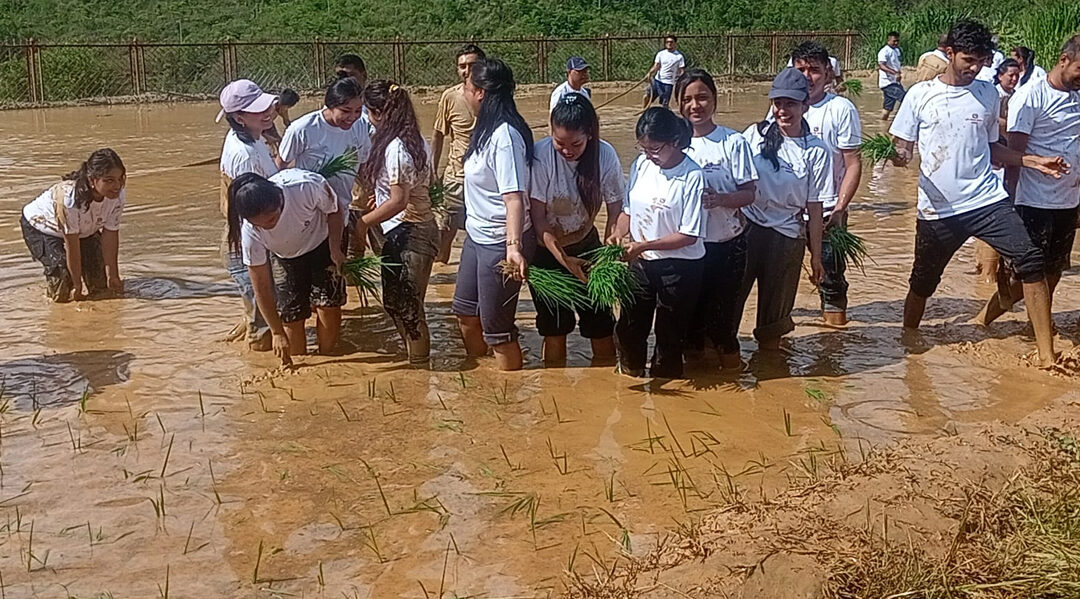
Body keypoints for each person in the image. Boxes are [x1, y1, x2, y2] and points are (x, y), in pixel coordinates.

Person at [889, 19, 1068, 367]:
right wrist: (896, 156)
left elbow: (993, 149)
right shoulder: (920, 95)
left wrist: (1032, 160)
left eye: (981, 61)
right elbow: (902, 150)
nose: (974, 68)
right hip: (938, 209)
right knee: (923, 282)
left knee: (1031, 260)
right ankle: (908, 343)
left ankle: (1046, 355)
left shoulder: (987, 93)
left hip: (986, 200)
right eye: (967, 60)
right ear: (950, 53)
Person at [976, 34, 1080, 328]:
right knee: (1024, 279)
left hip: (1067, 200)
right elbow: (1015, 155)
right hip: (1033, 200)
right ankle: (982, 321)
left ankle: (1041, 323)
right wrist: (1008, 205)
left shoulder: (1078, 96)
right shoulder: (1030, 97)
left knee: (1055, 270)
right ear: (1064, 60)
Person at [736, 68, 832, 351]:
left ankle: (770, 372)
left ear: (805, 104)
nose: (783, 110)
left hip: (787, 236)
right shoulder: (754, 135)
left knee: (774, 321)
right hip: (748, 228)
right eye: (778, 103)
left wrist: (816, 257)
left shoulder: (816, 150)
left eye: (791, 103)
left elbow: (815, 209)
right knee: (729, 301)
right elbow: (736, 183)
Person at [453, 58, 536, 372]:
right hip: (477, 238)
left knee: (498, 332)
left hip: (500, 244)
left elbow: (514, 197)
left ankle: (509, 397)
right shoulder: (484, 130)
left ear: (480, 94)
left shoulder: (505, 137)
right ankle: (481, 380)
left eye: (467, 87)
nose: (463, 91)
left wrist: (513, 248)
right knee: (465, 313)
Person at [609, 108, 704, 378]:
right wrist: (618, 232)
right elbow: (628, 208)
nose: (649, 155)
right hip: (640, 263)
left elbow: (689, 235)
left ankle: (666, 392)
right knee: (628, 328)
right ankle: (629, 377)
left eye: (655, 149)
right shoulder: (641, 165)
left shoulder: (692, 176)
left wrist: (644, 245)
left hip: (680, 269)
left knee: (669, 337)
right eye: (644, 148)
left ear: (674, 141)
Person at [529, 93, 624, 364]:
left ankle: (609, 392)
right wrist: (564, 259)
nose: (567, 151)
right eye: (560, 143)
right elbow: (538, 217)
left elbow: (616, 208)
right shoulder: (542, 154)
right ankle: (556, 395)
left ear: (590, 135)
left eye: (575, 144)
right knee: (554, 328)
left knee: (601, 325)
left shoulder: (605, 155)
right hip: (546, 254)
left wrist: (611, 245)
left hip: (587, 248)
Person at [676, 69, 758, 369]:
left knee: (723, 323)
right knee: (689, 324)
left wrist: (719, 200)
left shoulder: (733, 142)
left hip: (726, 245)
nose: (695, 105)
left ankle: (735, 377)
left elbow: (749, 194)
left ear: (714, 100)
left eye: (702, 98)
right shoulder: (673, 145)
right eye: (687, 99)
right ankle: (698, 387)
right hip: (685, 249)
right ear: (678, 104)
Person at [355, 81, 439, 363]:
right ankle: (414, 358)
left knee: (410, 310)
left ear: (380, 113)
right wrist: (378, 204)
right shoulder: (408, 141)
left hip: (412, 232)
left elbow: (399, 201)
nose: (367, 118)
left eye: (369, 112)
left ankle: (420, 369)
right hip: (403, 230)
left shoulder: (397, 148)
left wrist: (363, 222)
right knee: (394, 303)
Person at [227, 170, 346, 366]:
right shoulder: (250, 232)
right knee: (291, 314)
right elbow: (262, 287)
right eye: (261, 225)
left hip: (322, 239)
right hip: (285, 255)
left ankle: (329, 360)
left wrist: (335, 249)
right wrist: (276, 333)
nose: (268, 227)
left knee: (327, 305)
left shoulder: (305, 187)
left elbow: (335, 211)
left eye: (272, 220)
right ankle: (300, 364)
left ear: (280, 202)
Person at [787, 41, 863, 326]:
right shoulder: (782, 106)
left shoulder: (841, 109)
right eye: (801, 69)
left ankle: (833, 342)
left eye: (814, 70)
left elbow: (853, 163)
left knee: (831, 278)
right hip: (789, 211)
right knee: (781, 275)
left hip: (829, 209)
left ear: (828, 73)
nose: (807, 76)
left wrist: (841, 209)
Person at [217, 79, 281, 350]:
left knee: (258, 308)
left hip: (248, 234)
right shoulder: (245, 155)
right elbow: (251, 209)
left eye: (265, 105)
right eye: (257, 110)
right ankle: (257, 370)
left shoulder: (250, 139)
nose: (267, 112)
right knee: (263, 321)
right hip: (248, 239)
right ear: (239, 117)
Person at [21, 149, 126, 303]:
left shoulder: (117, 195)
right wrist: (77, 284)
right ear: (92, 180)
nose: (117, 185)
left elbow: (110, 235)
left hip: (85, 229)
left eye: (120, 179)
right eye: (109, 180)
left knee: (101, 288)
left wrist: (113, 276)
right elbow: (72, 244)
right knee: (63, 287)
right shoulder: (70, 199)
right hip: (42, 227)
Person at [278, 77, 372, 250]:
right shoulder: (303, 128)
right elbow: (280, 167)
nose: (352, 117)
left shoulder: (361, 126)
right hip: (307, 217)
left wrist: (373, 191)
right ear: (330, 105)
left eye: (358, 110)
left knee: (335, 270)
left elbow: (363, 166)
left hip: (340, 214)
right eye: (346, 110)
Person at [432, 44, 485, 265]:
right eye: (462, 66)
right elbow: (438, 135)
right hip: (456, 177)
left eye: (472, 65)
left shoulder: (494, 96)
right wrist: (433, 172)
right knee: (445, 231)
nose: (466, 71)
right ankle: (442, 270)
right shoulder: (449, 97)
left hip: (484, 178)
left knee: (484, 231)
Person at [973, 57, 1023, 284]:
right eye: (1010, 75)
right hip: (995, 162)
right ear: (1000, 75)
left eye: (1016, 75)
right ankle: (987, 272)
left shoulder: (1016, 96)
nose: (1013, 79)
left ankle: (990, 270)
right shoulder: (993, 96)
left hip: (1006, 160)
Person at [646, 35, 685, 108]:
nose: (669, 43)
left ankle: (665, 117)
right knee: (647, 96)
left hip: (668, 83)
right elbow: (656, 66)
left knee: (664, 103)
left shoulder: (679, 56)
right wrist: (650, 73)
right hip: (657, 80)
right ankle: (643, 113)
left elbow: (681, 70)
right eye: (667, 42)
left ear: (675, 43)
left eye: (671, 42)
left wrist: (682, 82)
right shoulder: (661, 54)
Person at [263, 88, 300, 159]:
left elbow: (287, 122)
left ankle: (277, 157)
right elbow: (257, 124)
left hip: (268, 124)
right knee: (275, 141)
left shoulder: (281, 108)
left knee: (279, 141)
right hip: (257, 125)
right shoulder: (269, 108)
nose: (287, 109)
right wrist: (267, 137)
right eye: (288, 107)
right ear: (287, 105)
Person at [878, 31, 905, 120]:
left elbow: (896, 64)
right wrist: (895, 73)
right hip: (888, 83)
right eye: (894, 41)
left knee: (887, 109)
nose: (896, 43)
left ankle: (882, 125)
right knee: (905, 99)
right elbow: (882, 65)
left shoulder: (897, 50)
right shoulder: (884, 51)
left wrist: (898, 74)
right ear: (888, 40)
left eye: (897, 41)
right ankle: (901, 121)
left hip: (895, 82)